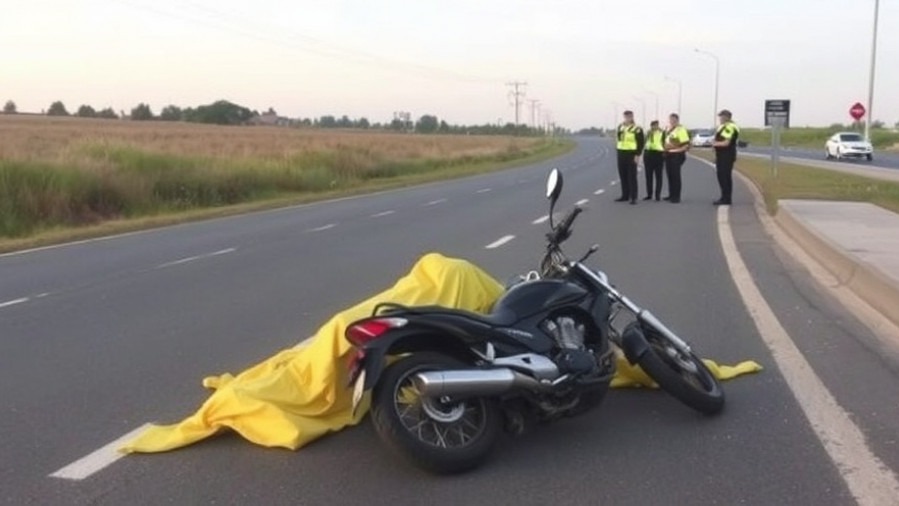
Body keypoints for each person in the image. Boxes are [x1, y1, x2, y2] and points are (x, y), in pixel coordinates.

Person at [615, 110, 645, 205]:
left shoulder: (637, 128)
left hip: (631, 154)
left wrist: (637, 155)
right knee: (622, 175)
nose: (627, 118)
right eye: (626, 116)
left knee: (631, 176)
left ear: (632, 117)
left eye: (629, 117)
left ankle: (633, 197)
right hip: (621, 153)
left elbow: (641, 143)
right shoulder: (620, 127)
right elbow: (618, 139)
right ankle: (625, 195)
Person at [711, 109, 740, 206]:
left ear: (726, 117)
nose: (720, 119)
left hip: (726, 155)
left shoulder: (730, 127)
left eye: (721, 116)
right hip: (722, 155)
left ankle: (726, 198)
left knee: (724, 176)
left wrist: (715, 143)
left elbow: (726, 143)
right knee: (722, 176)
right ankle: (725, 197)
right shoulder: (724, 127)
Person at [663, 113, 690, 203]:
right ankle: (671, 195)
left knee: (675, 176)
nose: (672, 122)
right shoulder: (669, 129)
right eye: (671, 120)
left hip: (677, 155)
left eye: (674, 120)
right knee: (670, 176)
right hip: (668, 155)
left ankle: (676, 197)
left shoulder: (680, 130)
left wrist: (674, 148)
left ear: (677, 120)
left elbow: (686, 145)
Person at [642, 120, 665, 201]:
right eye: (653, 126)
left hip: (658, 154)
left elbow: (665, 143)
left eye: (656, 125)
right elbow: (644, 143)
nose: (654, 127)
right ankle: (649, 194)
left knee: (658, 176)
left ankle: (657, 195)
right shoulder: (648, 133)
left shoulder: (662, 133)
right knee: (648, 176)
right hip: (648, 154)